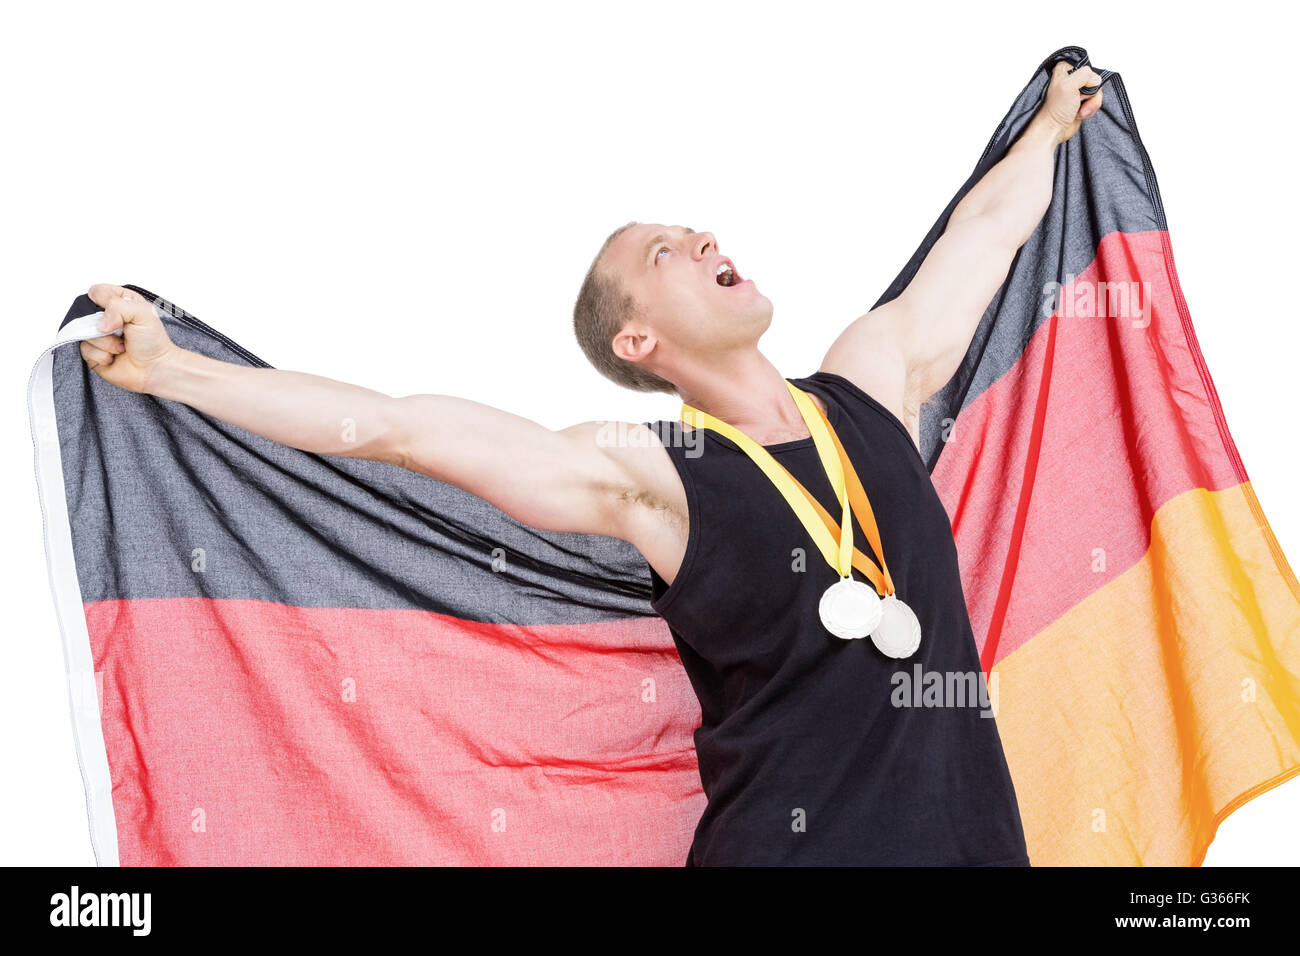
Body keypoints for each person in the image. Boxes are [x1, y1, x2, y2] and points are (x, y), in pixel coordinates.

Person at [80, 59, 1105, 866]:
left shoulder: (869, 380)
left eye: (689, 227)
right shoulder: (654, 475)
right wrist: (177, 371)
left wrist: (1053, 128)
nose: (698, 232)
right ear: (637, 344)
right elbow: (399, 427)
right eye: (661, 251)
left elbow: (982, 236)